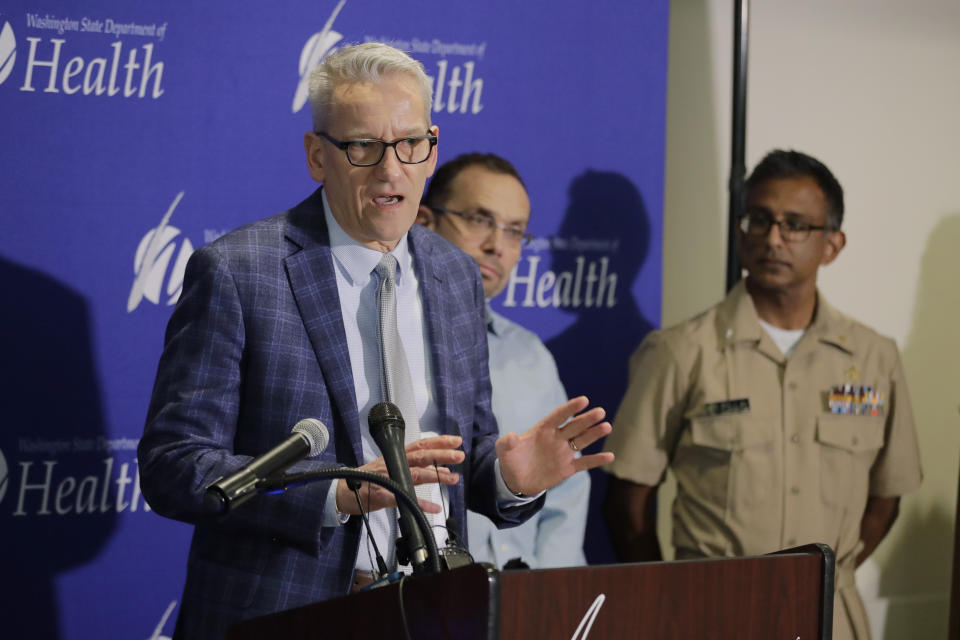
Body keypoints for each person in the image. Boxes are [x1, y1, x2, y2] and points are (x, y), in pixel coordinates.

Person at [138, 43, 613, 638]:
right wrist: (337, 494)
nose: (393, 170)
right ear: (317, 155)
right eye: (363, 146)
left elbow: (466, 455)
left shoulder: (454, 276)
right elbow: (174, 467)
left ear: (432, 147)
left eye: (410, 144)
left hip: (433, 612)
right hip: (282, 613)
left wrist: (511, 477)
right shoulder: (239, 271)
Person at [602, 149, 922, 640]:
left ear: (832, 245)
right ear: (740, 232)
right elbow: (627, 504)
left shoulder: (874, 357)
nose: (773, 239)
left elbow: (886, 499)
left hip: (830, 620)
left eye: (795, 225)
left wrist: (821, 579)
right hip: (711, 617)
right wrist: (670, 603)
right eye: (760, 220)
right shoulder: (681, 351)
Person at [417, 153, 590, 569]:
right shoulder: (390, 335)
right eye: (479, 219)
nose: (496, 245)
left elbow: (565, 497)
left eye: (515, 232)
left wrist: (546, 605)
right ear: (424, 221)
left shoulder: (531, 357)